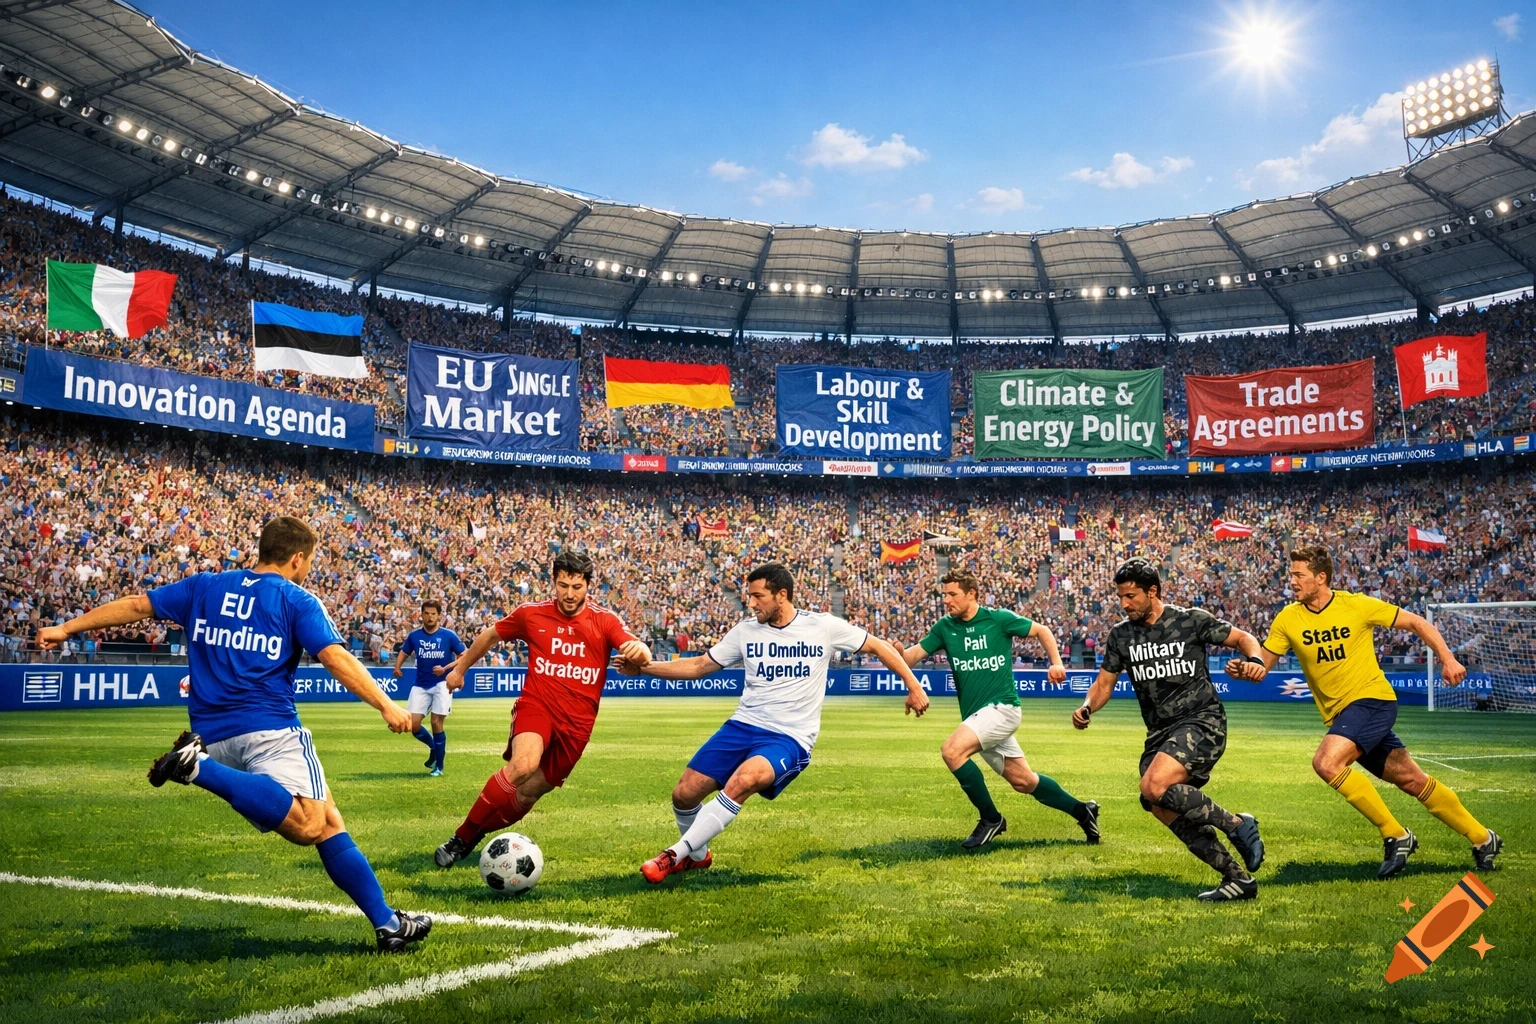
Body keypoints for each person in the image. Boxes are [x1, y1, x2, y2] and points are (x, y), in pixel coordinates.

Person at [36, 516, 430, 952]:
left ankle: (388, 923)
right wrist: (387, 705)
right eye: (310, 561)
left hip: (215, 737)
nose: (309, 569)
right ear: (297, 558)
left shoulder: (204, 586)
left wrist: (66, 628)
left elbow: (135, 606)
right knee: (310, 823)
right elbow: (335, 657)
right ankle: (195, 768)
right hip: (269, 729)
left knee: (329, 821)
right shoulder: (295, 598)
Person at [623, 562, 930, 882]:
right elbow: (700, 666)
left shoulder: (822, 626)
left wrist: (914, 685)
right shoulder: (745, 631)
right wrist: (644, 669)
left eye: (758, 596)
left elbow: (877, 645)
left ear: (781, 595)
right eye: (749, 596)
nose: (751, 603)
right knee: (684, 795)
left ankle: (673, 855)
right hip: (743, 725)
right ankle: (697, 857)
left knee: (743, 781)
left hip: (790, 736)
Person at [1229, 544, 1502, 878]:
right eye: (1291, 575)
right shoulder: (1288, 618)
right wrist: (1247, 670)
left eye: (1299, 575)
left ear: (1321, 577)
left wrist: (1447, 657)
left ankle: (1396, 834)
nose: (1293, 582)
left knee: (1326, 763)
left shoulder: (1355, 605)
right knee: (1413, 780)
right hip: (1344, 716)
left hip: (1372, 700)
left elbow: (1416, 622)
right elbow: (1263, 667)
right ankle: (1482, 838)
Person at [432, 550, 652, 867]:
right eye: (563, 585)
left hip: (576, 729)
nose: (569, 594)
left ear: (589, 585)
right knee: (522, 766)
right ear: (553, 581)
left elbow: (638, 650)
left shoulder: (605, 621)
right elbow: (491, 635)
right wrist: (460, 669)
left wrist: (639, 650)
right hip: (538, 707)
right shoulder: (531, 614)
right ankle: (460, 838)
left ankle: (477, 834)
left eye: (577, 586)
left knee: (527, 795)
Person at [1072, 558, 1266, 902]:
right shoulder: (1121, 636)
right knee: (1159, 803)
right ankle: (1237, 879)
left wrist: (1255, 661)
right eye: (1121, 597)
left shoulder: (1190, 620)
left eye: (1131, 596)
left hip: (1202, 720)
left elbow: (1244, 638)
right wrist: (1088, 706)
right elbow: (1104, 683)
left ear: (1153, 591)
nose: (1124, 604)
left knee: (1155, 784)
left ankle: (1238, 825)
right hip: (1160, 732)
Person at [902, 567, 1099, 849]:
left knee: (951, 751)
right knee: (1023, 781)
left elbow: (1041, 630)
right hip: (979, 717)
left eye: (952, 594)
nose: (946, 600)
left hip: (1002, 708)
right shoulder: (945, 627)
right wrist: (895, 653)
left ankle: (991, 819)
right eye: (944, 595)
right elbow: (909, 657)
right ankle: (1084, 810)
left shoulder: (997, 619)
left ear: (972, 594)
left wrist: (1056, 662)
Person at [392, 600, 464, 776]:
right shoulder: (415, 636)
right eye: (427, 613)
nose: (430, 617)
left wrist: (448, 669)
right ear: (421, 615)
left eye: (433, 614)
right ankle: (433, 747)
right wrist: (397, 666)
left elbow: (464, 655)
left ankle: (439, 767)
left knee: (436, 722)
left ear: (439, 616)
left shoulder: (449, 635)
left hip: (442, 683)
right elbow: (405, 651)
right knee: (413, 725)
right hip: (421, 684)